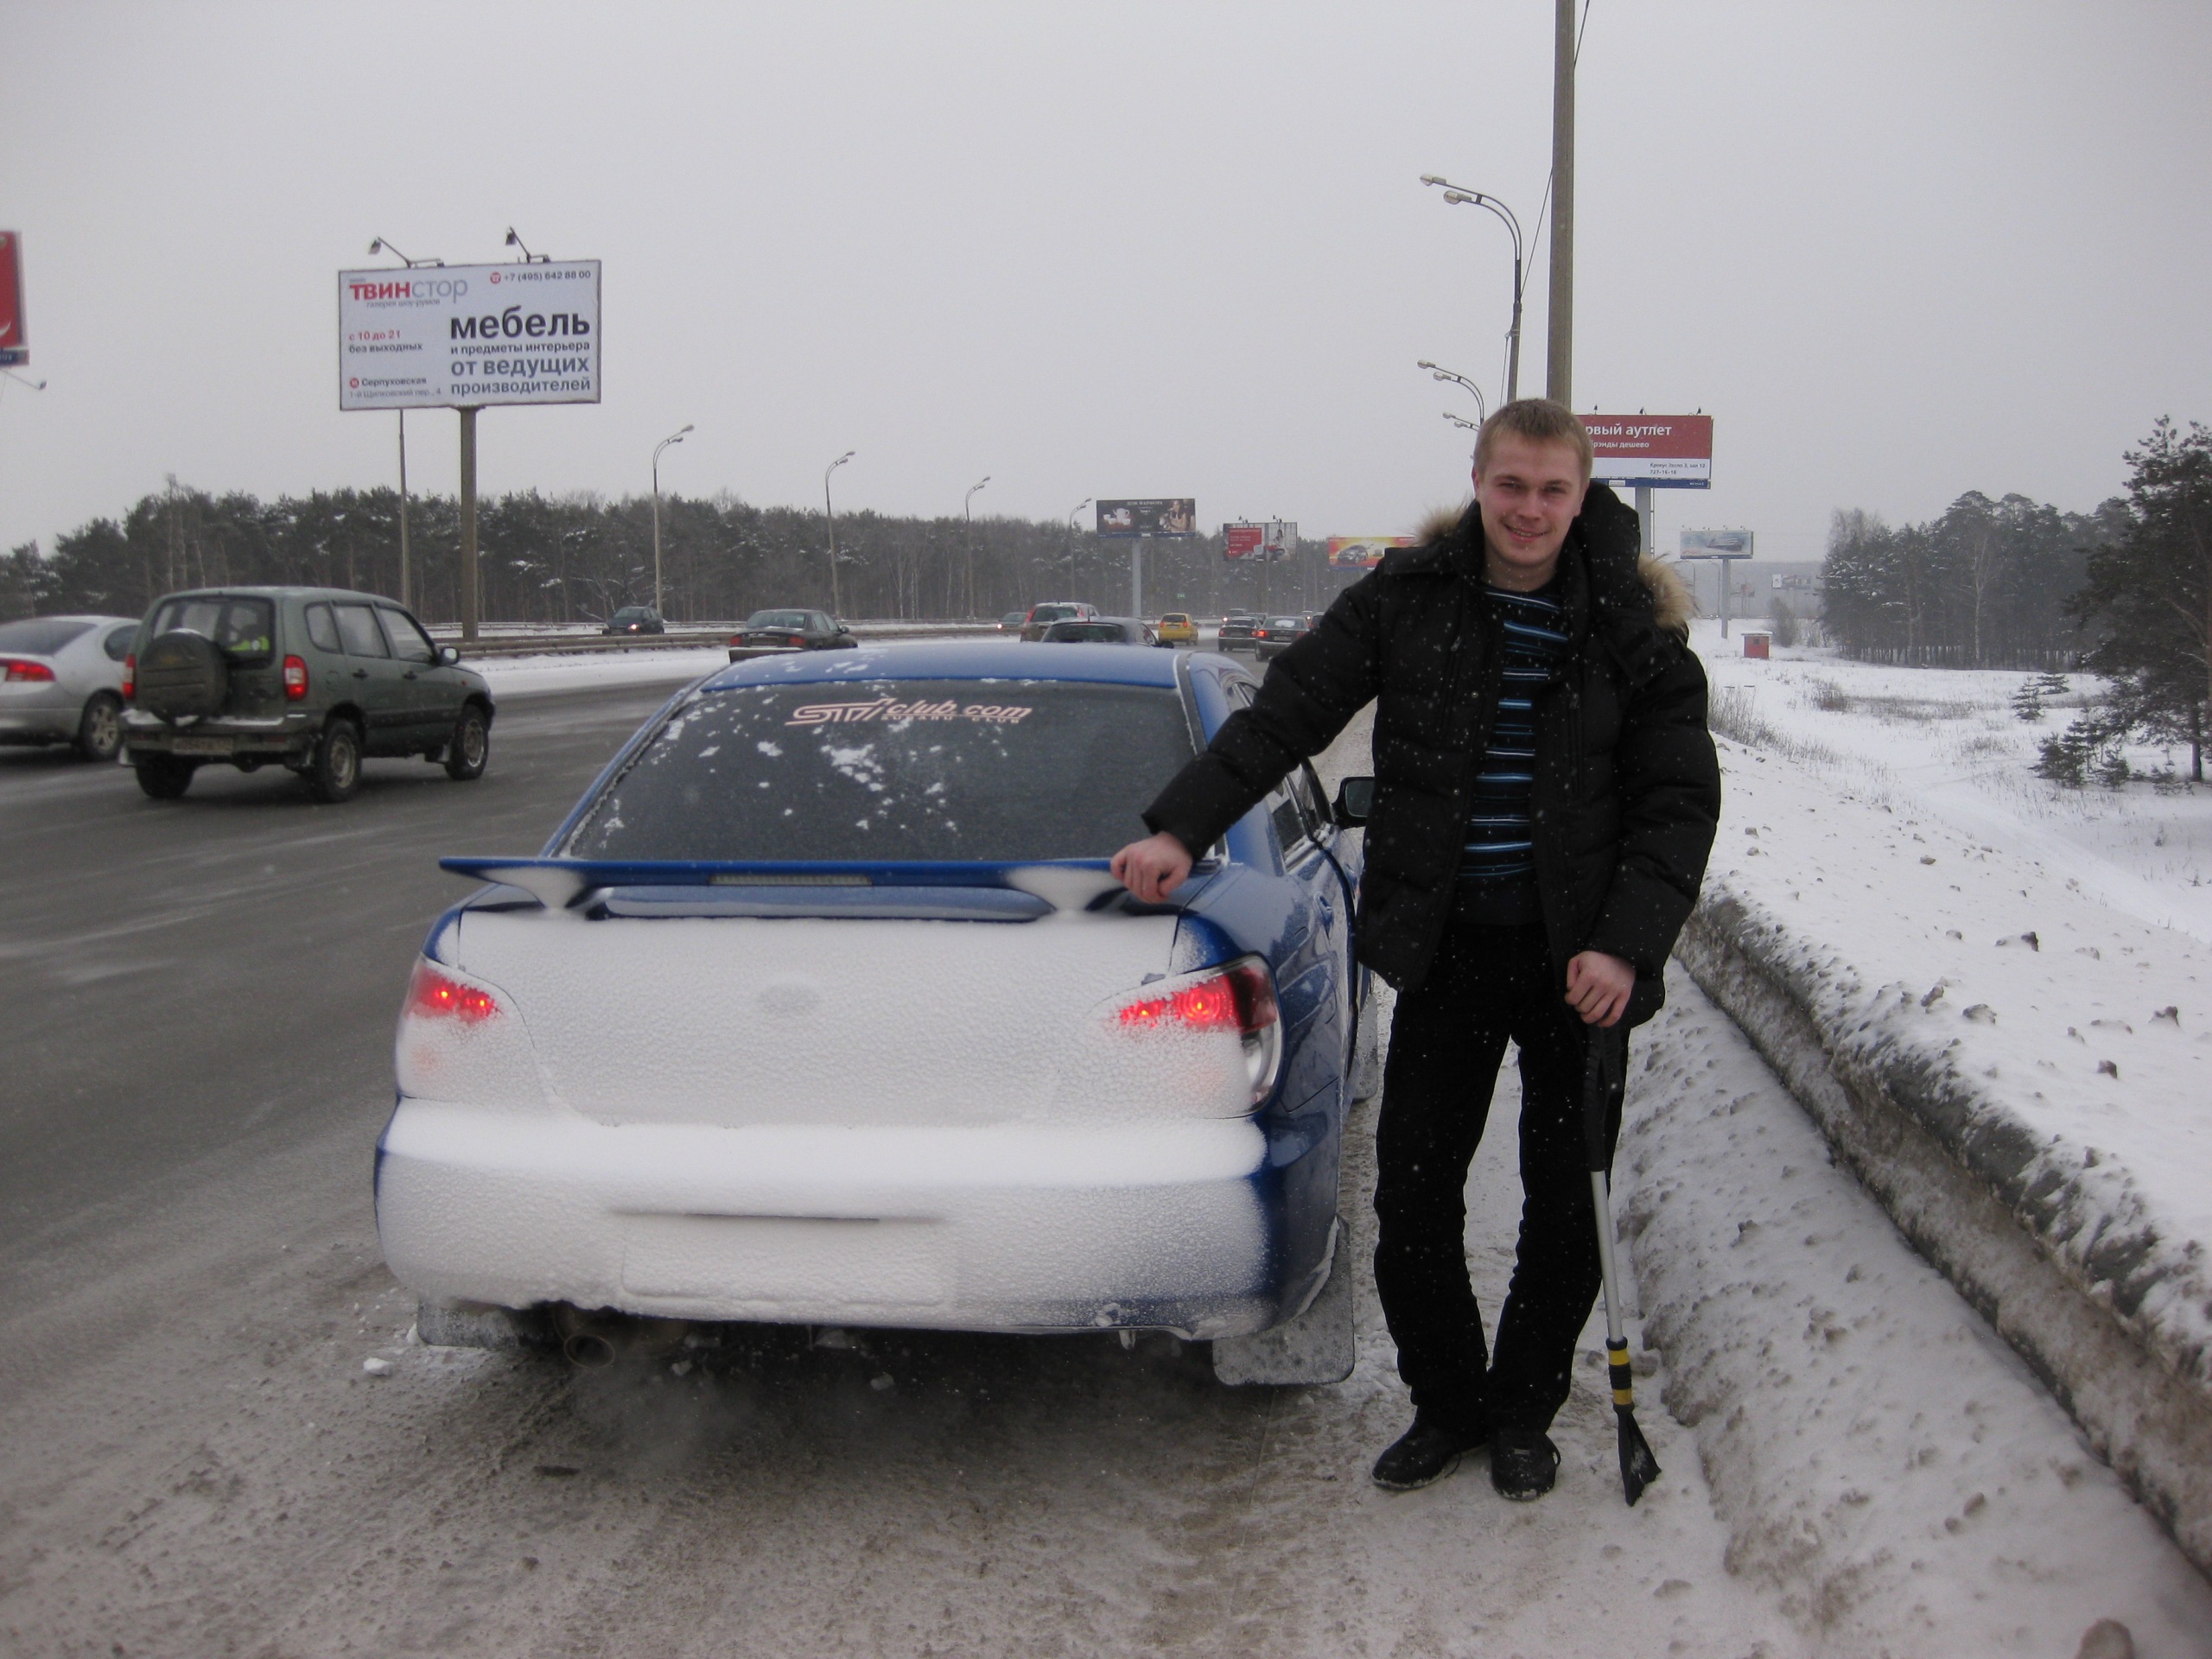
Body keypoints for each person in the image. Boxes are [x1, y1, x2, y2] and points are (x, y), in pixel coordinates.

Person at [1110, 399, 1718, 1502]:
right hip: (1447, 950)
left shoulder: (1630, 625)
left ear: (1580, 496)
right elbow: (1286, 714)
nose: (1528, 509)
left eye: (1552, 490)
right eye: (1510, 484)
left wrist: (1626, 949)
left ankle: (1522, 1414)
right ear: (1477, 482)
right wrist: (1180, 828)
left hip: (1580, 966)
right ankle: (1447, 1406)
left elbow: (1676, 803)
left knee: (1562, 1205)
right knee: (1416, 1200)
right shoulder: (1409, 597)